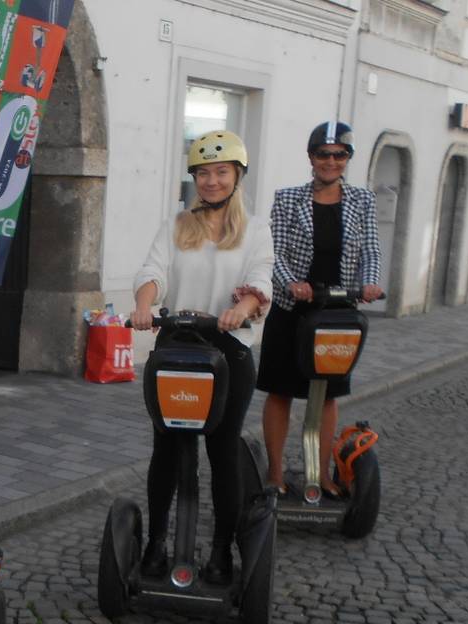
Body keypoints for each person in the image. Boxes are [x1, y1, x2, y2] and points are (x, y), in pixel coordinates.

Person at [131, 131, 272, 584]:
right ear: (194, 177)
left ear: (237, 177)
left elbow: (260, 281)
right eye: (203, 173)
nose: (211, 181)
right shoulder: (176, 227)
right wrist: (143, 304)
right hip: (177, 349)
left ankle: (220, 552)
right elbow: (153, 271)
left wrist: (242, 309)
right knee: (166, 450)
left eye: (221, 172)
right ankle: (155, 544)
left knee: (223, 450)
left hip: (228, 352)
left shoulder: (256, 231)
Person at [257, 121, 382, 496]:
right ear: (311, 157)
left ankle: (322, 473)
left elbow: (371, 249)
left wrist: (371, 281)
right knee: (280, 391)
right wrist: (290, 283)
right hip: (292, 309)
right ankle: (276, 473)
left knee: (327, 394)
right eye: (323, 154)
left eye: (339, 155)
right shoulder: (287, 198)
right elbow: (272, 252)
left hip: (337, 312)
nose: (331, 161)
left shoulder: (363, 200)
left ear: (348, 159)